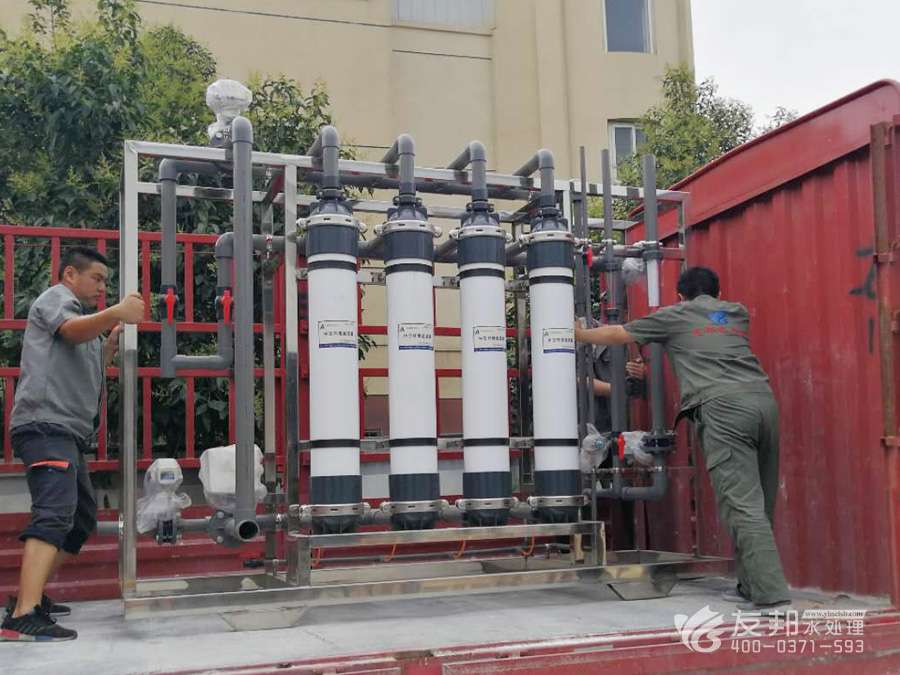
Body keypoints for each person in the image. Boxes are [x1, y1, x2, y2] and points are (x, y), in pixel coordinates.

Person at [575, 266, 790, 613]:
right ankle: (750, 585)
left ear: (679, 296)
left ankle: (771, 595)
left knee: (741, 505)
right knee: (759, 503)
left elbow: (618, 333)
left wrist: (579, 334)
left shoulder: (674, 315)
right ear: (718, 293)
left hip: (723, 410)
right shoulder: (736, 313)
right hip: (763, 404)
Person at [1, 246, 144, 642]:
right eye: (96, 278)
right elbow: (70, 331)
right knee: (53, 514)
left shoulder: (85, 320)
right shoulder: (57, 300)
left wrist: (109, 344)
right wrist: (116, 312)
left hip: (67, 434)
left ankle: (27, 598)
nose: (101, 288)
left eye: (104, 282)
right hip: (45, 426)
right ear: (69, 275)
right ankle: (23, 616)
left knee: (80, 520)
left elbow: (88, 363)